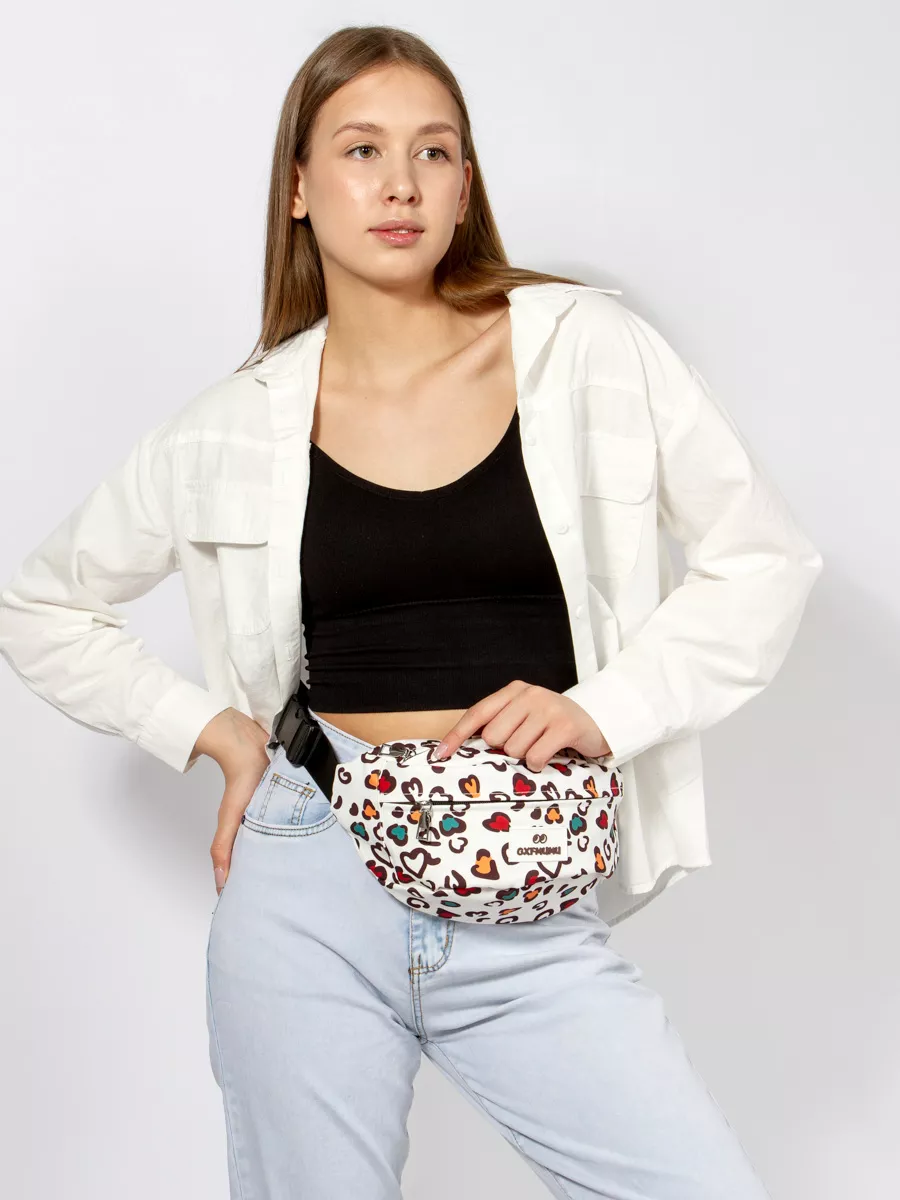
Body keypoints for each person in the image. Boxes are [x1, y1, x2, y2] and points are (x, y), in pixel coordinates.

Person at [0, 24, 822, 1200]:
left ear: (464, 186)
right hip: (310, 879)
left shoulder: (584, 351)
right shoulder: (234, 424)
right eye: (362, 150)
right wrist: (220, 735)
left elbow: (764, 557)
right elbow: (40, 602)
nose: (400, 183)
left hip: (524, 890)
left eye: (433, 152)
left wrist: (608, 708)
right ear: (298, 186)